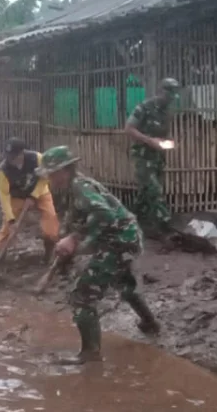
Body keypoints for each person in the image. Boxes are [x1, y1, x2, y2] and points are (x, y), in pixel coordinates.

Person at [40, 146, 160, 365]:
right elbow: (76, 219)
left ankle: (90, 354)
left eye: (51, 173)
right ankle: (150, 324)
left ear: (64, 171)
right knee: (124, 284)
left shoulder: (79, 187)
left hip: (120, 242)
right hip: (126, 238)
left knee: (81, 295)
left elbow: (105, 213)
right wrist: (67, 241)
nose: (49, 178)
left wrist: (75, 238)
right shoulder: (74, 187)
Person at [124, 77, 181, 238]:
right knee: (155, 190)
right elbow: (128, 129)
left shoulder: (167, 112)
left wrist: (167, 142)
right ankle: (166, 227)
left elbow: (162, 134)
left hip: (158, 157)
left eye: (174, 96)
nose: (171, 99)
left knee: (145, 194)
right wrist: (149, 141)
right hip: (143, 158)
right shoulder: (144, 107)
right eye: (170, 95)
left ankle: (132, 223)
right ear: (162, 91)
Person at [0, 137, 60, 263]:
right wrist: (11, 219)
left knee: (51, 220)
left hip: (40, 192)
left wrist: (33, 196)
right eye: (8, 156)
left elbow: (45, 178)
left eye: (13, 156)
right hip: (17, 197)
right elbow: (4, 197)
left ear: (21, 153)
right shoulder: (3, 171)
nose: (10, 159)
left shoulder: (37, 158)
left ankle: (48, 255)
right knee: (7, 228)